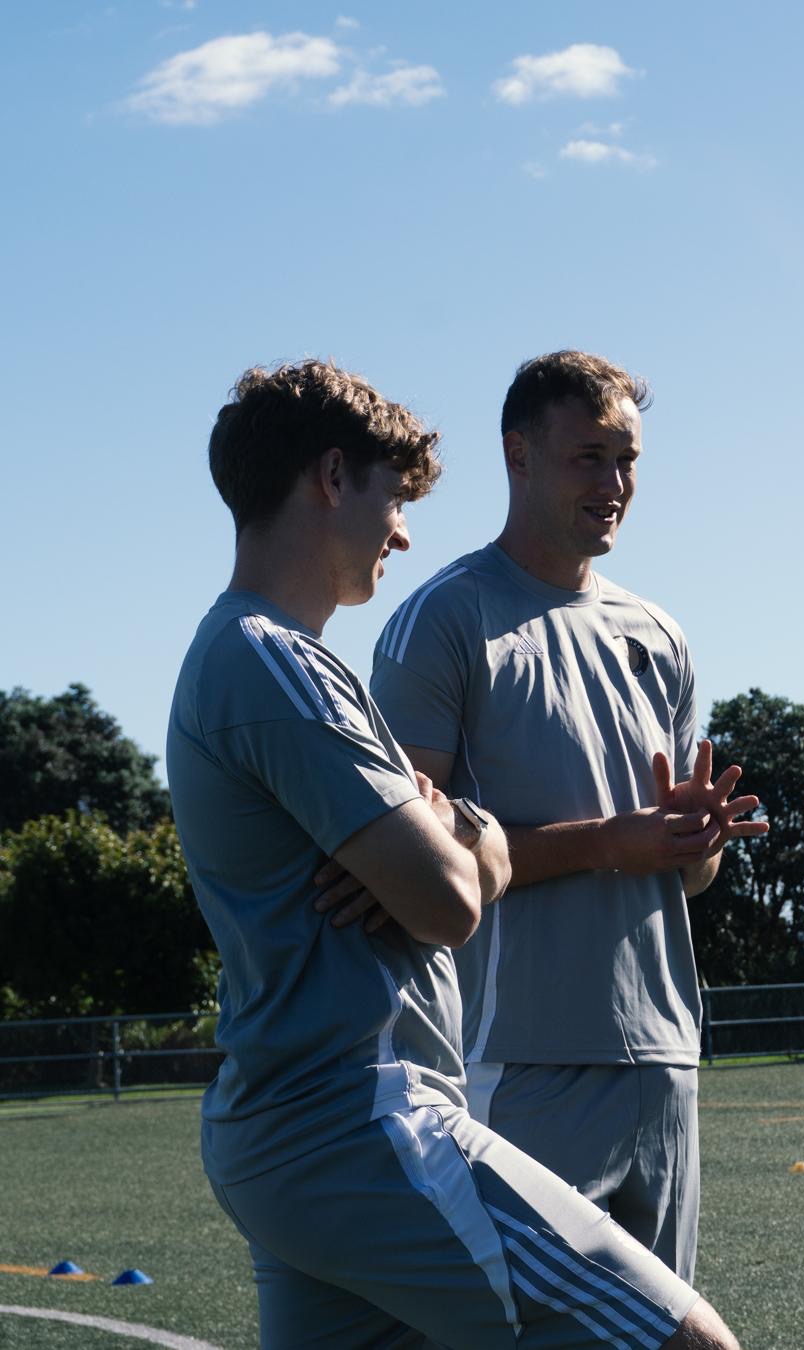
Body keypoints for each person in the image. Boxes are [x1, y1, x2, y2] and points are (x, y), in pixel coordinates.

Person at [167, 358, 743, 1349]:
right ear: (332, 477)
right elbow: (446, 898)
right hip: (364, 1118)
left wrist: (458, 831)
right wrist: (475, 836)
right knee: (691, 1343)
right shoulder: (277, 659)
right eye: (393, 499)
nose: (402, 531)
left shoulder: (260, 655)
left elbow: (438, 861)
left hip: (305, 1128)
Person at [370, 350, 767, 1287]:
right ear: (518, 455)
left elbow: (687, 876)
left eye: (627, 460)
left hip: (667, 1055)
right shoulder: (446, 619)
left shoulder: (659, 634)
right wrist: (609, 843)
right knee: (524, 1328)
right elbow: (403, 862)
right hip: (517, 1059)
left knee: (662, 1332)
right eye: (590, 457)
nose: (615, 484)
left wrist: (693, 841)